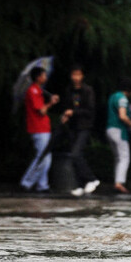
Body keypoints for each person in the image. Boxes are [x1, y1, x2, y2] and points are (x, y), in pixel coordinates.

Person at [58, 64, 99, 196]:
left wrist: (73, 112)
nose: (76, 77)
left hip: (84, 126)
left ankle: (92, 179)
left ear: (82, 76)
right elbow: (67, 107)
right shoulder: (69, 90)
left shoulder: (88, 91)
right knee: (75, 155)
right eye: (74, 74)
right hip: (73, 127)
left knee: (76, 153)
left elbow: (90, 110)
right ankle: (81, 184)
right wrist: (65, 115)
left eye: (78, 74)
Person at [19, 66, 60, 192]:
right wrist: (51, 103)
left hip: (43, 128)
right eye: (43, 75)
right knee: (43, 158)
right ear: (38, 77)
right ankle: (26, 183)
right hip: (38, 128)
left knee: (45, 158)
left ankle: (42, 185)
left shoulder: (38, 90)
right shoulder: (33, 91)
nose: (45, 77)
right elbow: (41, 110)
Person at [105, 77, 131, 194]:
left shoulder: (113, 96)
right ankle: (119, 183)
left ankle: (117, 181)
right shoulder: (123, 99)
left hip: (109, 129)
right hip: (119, 130)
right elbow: (123, 116)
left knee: (118, 157)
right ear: (130, 90)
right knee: (124, 157)